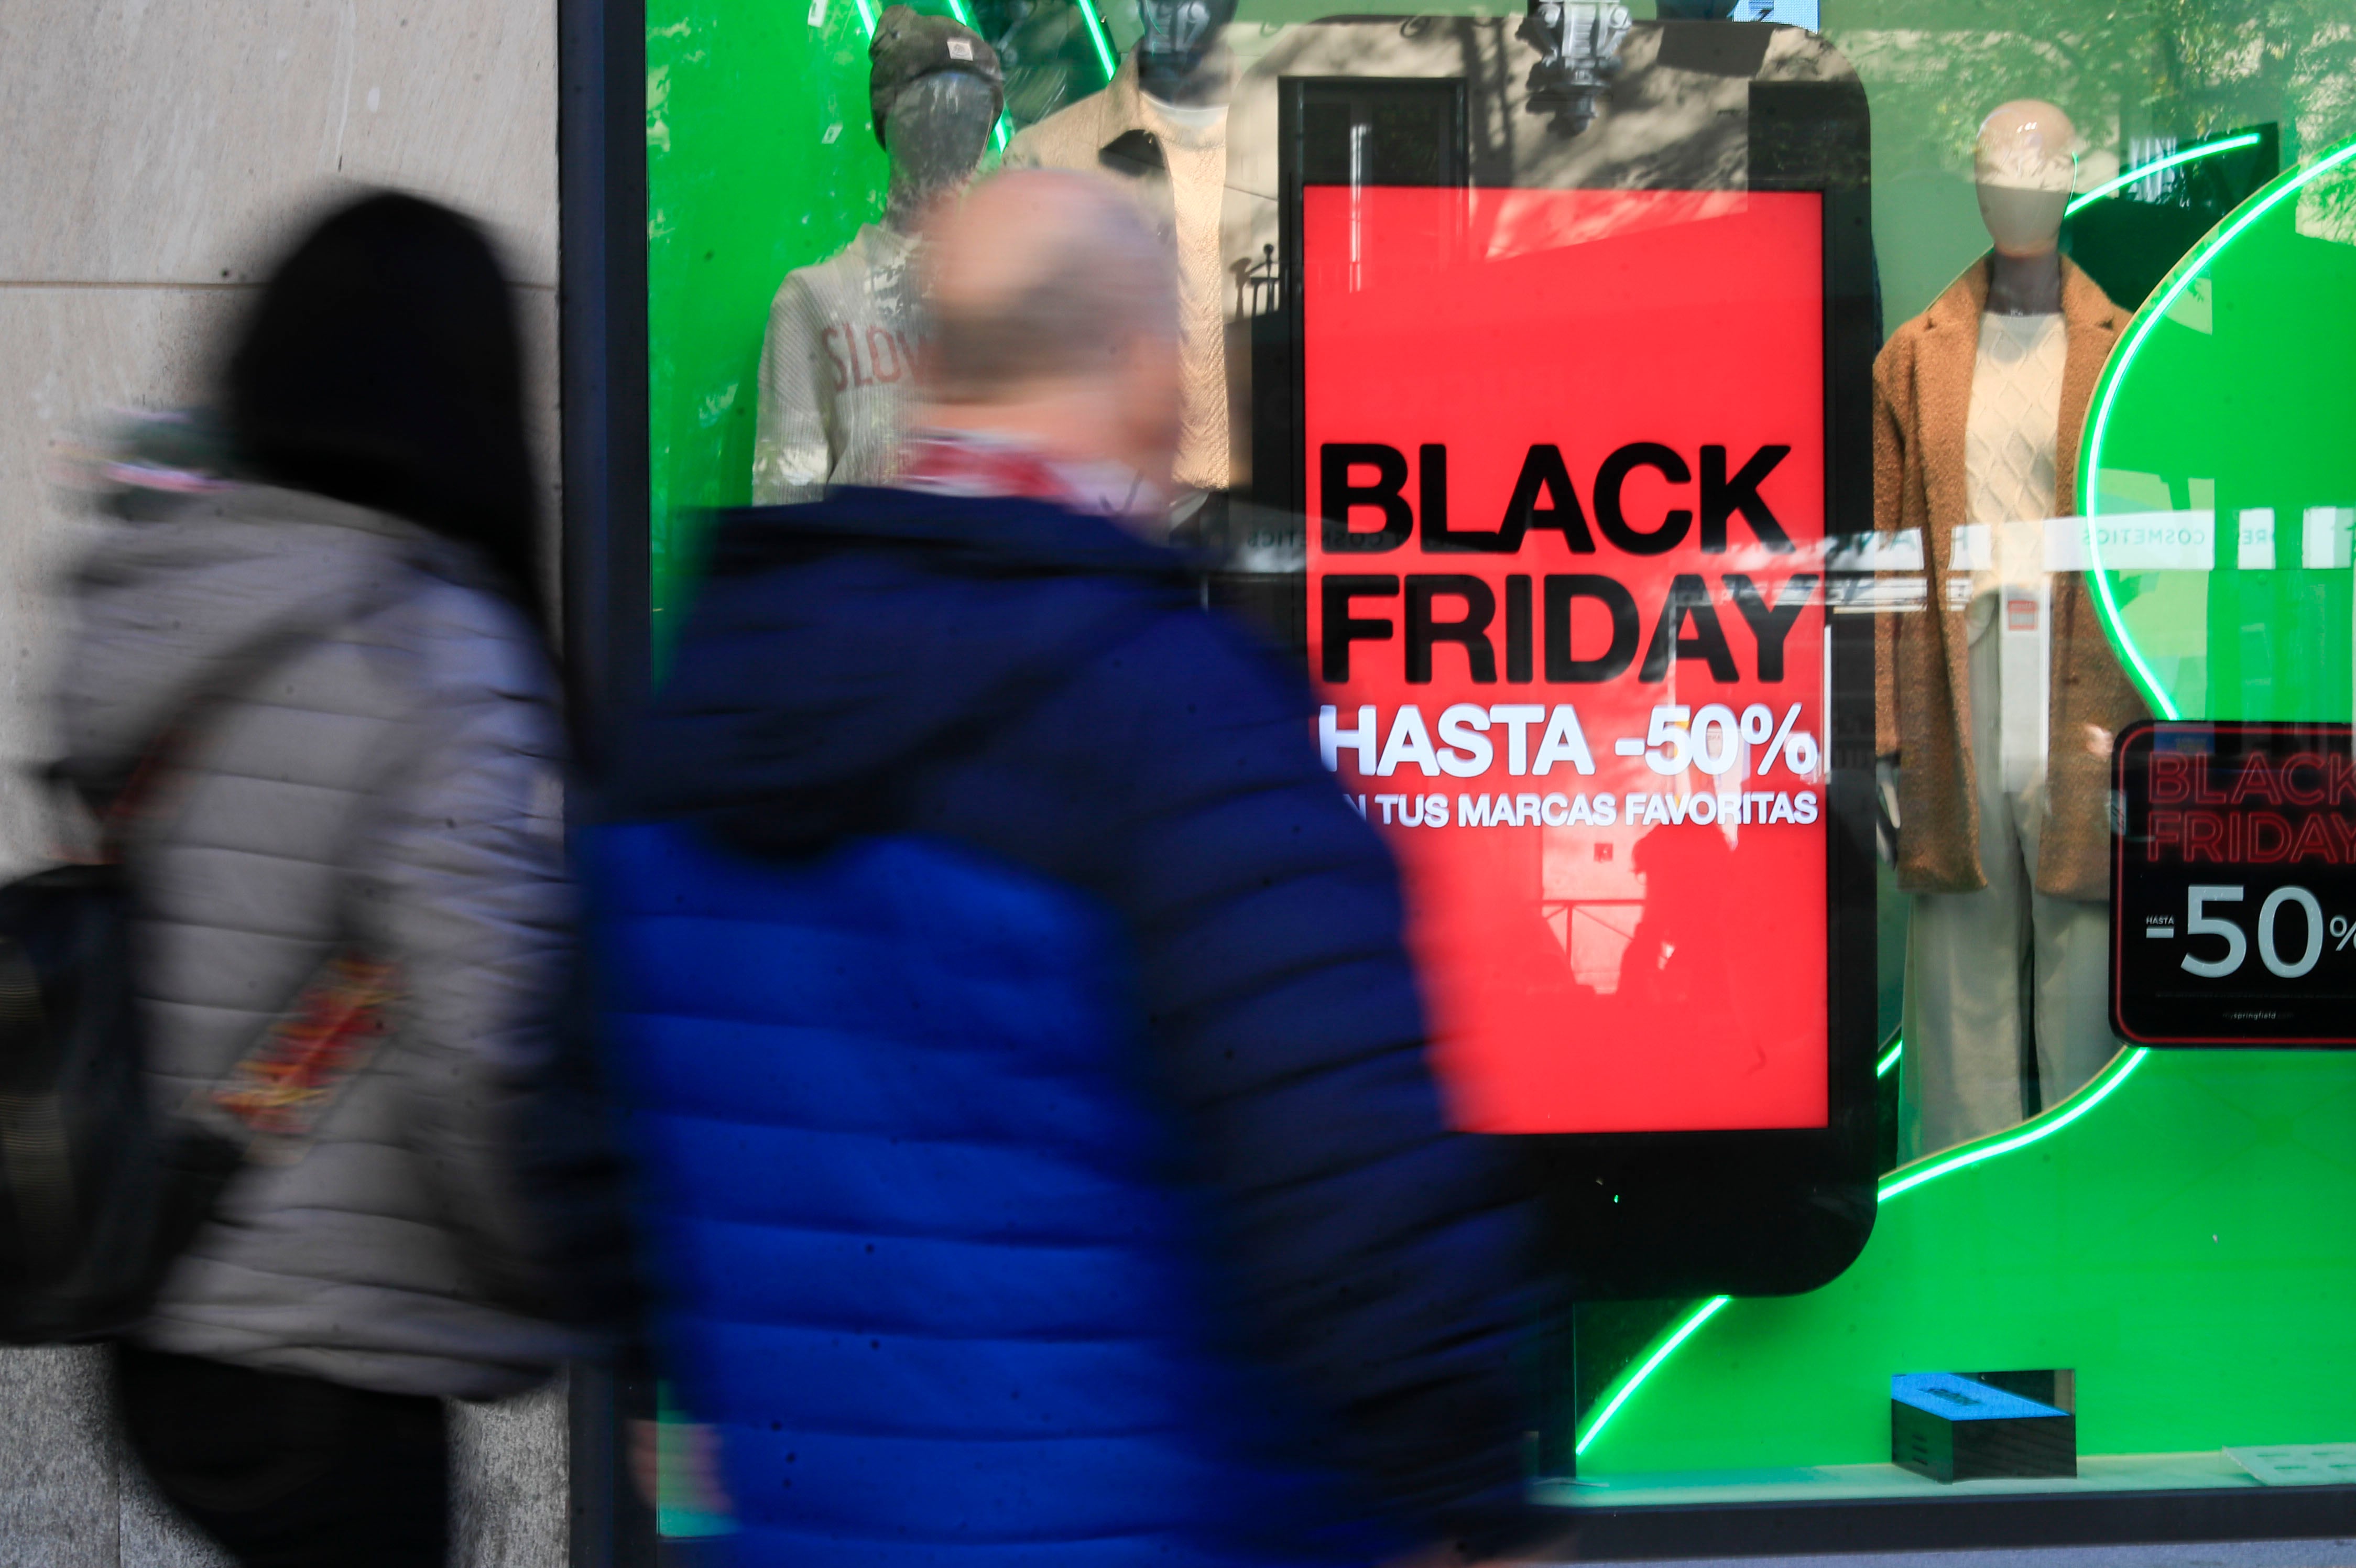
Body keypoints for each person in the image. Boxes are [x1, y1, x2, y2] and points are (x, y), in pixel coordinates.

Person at [590, 169, 1552, 1568]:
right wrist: (1472, 1494)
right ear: (1149, 372)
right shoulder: (1182, 717)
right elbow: (1348, 1173)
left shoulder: (703, 705)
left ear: (930, 375)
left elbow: (571, 1137)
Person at [56, 192, 625, 1568]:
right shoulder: (432, 657)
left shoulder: (162, 595)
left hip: (158, 1325)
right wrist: (591, 1274)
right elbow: (479, 1064)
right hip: (330, 1361)